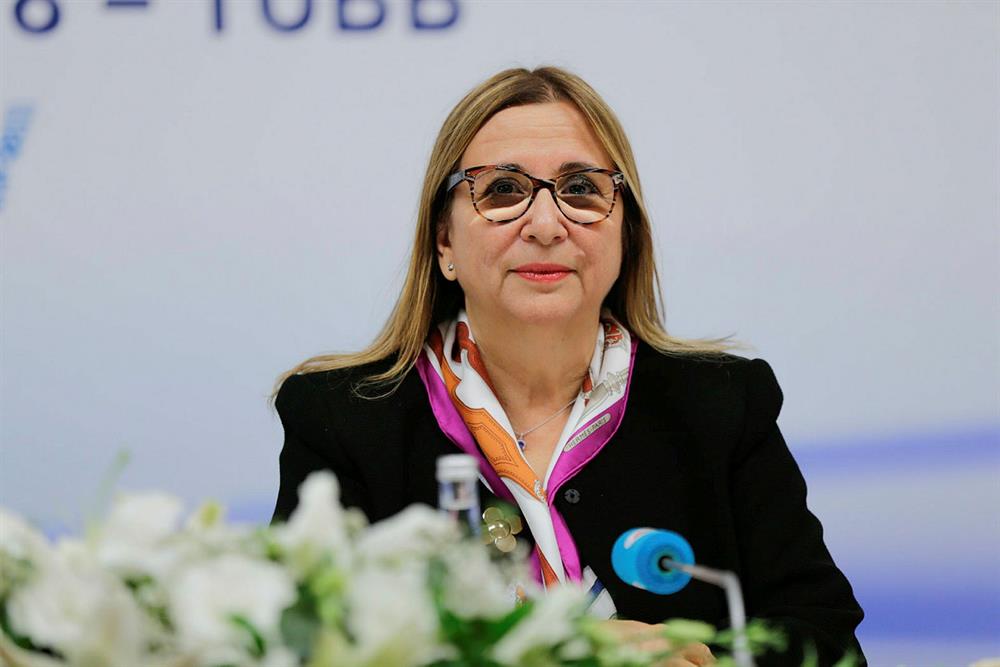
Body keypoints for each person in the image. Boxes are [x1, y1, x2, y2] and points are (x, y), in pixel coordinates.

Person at [271, 66, 865, 666]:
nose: (546, 225)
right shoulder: (342, 418)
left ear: (626, 233)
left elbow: (828, 641)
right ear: (444, 242)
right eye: (502, 190)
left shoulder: (722, 404)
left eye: (581, 189)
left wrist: (705, 661)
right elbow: (295, 647)